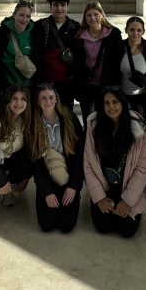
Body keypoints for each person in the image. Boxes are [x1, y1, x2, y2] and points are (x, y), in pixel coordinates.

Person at [82, 88, 146, 238]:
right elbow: (88, 164)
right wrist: (99, 197)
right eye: (106, 103)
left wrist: (128, 201)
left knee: (126, 230)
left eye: (115, 102)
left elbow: (143, 168)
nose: (111, 107)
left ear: (123, 103)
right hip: (104, 187)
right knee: (102, 226)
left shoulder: (137, 129)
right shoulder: (93, 126)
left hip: (127, 186)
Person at [29, 83, 85, 233]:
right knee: (46, 225)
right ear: (37, 101)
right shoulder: (33, 124)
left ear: (56, 99)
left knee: (67, 226)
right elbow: (35, 164)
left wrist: (73, 186)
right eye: (43, 98)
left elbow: (80, 156)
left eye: (51, 97)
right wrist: (46, 192)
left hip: (68, 178)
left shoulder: (69, 118)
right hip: (48, 179)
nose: (48, 101)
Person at [72, 0, 122, 120]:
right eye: (89, 15)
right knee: (88, 119)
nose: (92, 18)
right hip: (86, 86)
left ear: (101, 15)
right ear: (85, 17)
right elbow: (77, 64)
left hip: (106, 85)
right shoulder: (79, 36)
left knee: (105, 120)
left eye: (96, 14)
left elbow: (118, 60)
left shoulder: (113, 34)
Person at [31, 0, 80, 111]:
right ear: (50, 6)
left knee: (66, 113)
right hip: (46, 81)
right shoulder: (40, 26)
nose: (59, 8)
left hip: (67, 82)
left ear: (67, 6)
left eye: (62, 5)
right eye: (55, 5)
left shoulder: (75, 27)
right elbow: (37, 53)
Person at [109, 16, 146, 120]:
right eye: (132, 30)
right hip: (122, 97)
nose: (135, 33)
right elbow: (112, 72)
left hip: (143, 98)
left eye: (139, 30)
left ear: (143, 31)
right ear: (126, 30)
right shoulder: (118, 48)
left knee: (139, 127)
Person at [0, 0, 36, 91]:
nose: (24, 20)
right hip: (7, 84)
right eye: (21, 15)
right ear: (14, 15)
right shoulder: (2, 32)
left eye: (28, 16)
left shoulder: (35, 32)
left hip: (28, 85)